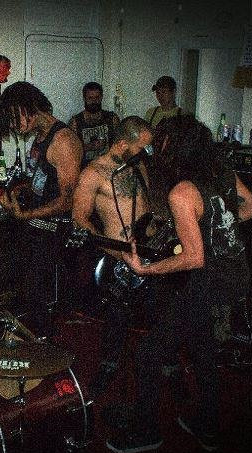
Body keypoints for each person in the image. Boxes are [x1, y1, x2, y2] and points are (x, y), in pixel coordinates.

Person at [106, 114, 252, 453]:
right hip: (235, 274)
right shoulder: (222, 171)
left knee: (148, 354)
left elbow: (193, 259)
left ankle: (146, 432)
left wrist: (147, 268)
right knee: (203, 348)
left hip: (209, 282)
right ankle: (208, 425)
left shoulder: (182, 192)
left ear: (172, 150)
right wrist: (217, 225)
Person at [72, 116, 153, 398]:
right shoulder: (93, 173)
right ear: (122, 144)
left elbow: (147, 206)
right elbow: (79, 218)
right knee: (117, 320)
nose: (145, 152)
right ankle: (108, 368)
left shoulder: (138, 165)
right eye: (141, 147)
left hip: (148, 251)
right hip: (118, 256)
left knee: (156, 316)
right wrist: (111, 247)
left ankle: (162, 367)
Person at [0, 80, 83, 332]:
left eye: (15, 117)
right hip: (35, 224)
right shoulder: (40, 136)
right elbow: (42, 179)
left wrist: (25, 214)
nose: (13, 125)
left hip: (55, 230)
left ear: (30, 107)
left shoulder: (63, 142)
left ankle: (43, 339)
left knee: (38, 297)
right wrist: (19, 190)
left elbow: (67, 201)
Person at [69, 81, 121, 168]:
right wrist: (90, 146)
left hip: (109, 166)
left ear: (101, 97)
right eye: (90, 98)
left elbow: (121, 144)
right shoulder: (75, 122)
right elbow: (70, 150)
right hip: (86, 168)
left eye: (97, 97)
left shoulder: (112, 118)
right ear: (84, 98)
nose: (94, 101)